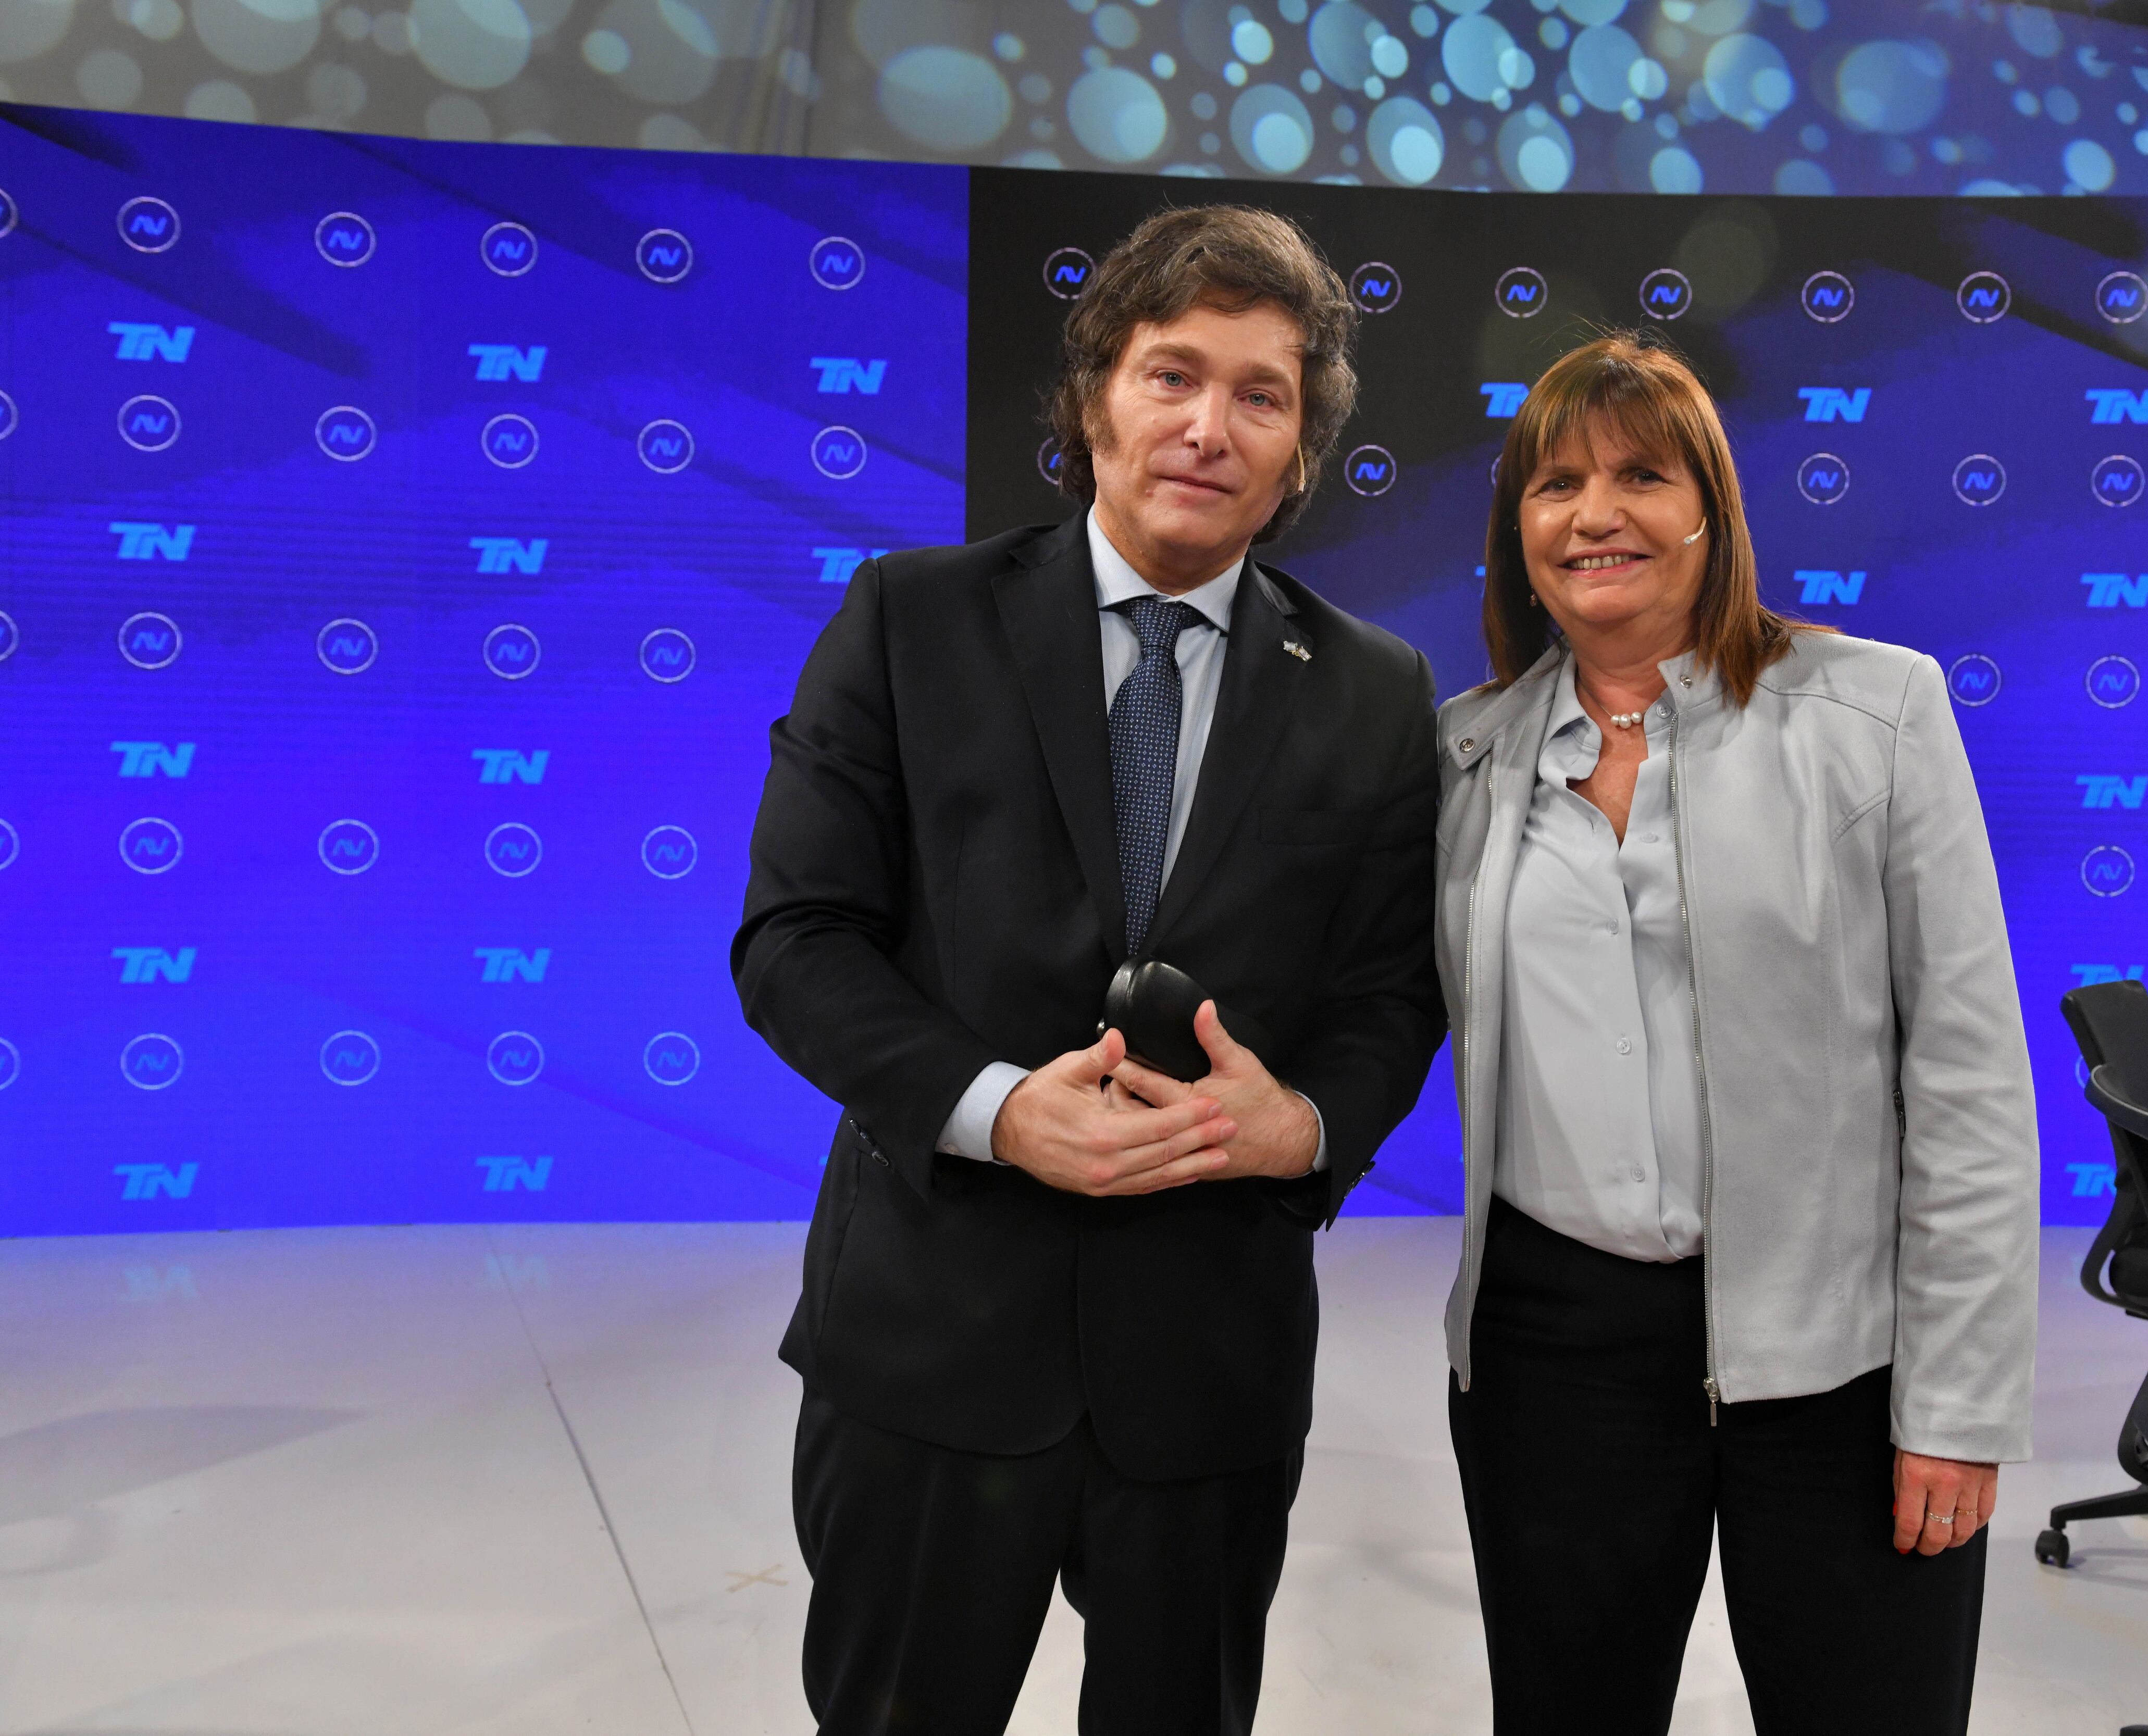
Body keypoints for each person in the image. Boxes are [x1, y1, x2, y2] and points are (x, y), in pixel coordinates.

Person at [732, 204, 1444, 1735]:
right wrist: (996, 1108)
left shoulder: (1378, 694)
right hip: (935, 1339)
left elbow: (1392, 993)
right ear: (1092, 397)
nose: (1210, 426)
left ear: (1303, 446)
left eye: (1263, 395)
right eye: (1171, 374)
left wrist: (1308, 1128)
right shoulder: (909, 621)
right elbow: (796, 939)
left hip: (1208, 1363)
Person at [1433, 332, 2038, 1735]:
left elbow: (1969, 1083)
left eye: (1642, 475)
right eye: (1557, 483)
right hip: (1552, 1361)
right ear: (1518, 532)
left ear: (1710, 510)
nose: (1597, 513)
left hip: (1837, 1360)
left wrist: (1956, 1404)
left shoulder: (1877, 713)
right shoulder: (1459, 754)